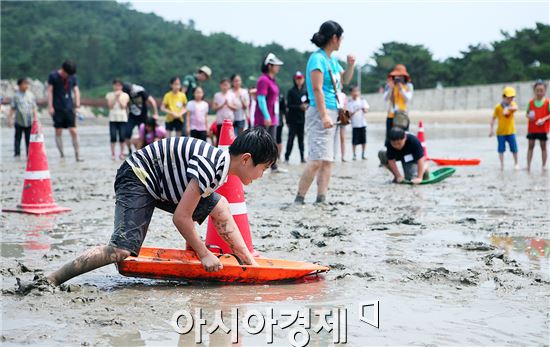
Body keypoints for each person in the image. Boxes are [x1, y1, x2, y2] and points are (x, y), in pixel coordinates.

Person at [46, 128, 278, 286]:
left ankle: (248, 261)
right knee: (120, 251)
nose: (261, 175)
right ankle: (52, 279)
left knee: (220, 206)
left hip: (163, 182)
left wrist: (250, 268)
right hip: (138, 178)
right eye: (263, 169)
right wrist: (204, 253)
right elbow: (181, 218)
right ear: (246, 159)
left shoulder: (220, 167)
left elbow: (193, 203)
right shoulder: (212, 166)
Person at [295, 21, 355, 204]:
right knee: (316, 160)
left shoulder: (332, 60)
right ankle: (299, 198)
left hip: (333, 111)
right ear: (334, 38)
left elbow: (344, 79)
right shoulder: (317, 59)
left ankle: (321, 198)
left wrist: (351, 65)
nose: (341, 41)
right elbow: (317, 88)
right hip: (321, 112)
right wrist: (324, 115)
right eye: (341, 37)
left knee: (328, 160)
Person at [255, 52, 285, 172]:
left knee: (272, 142)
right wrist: (267, 116)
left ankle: (273, 166)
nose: (278, 67)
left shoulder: (273, 80)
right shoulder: (263, 80)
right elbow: (261, 99)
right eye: (275, 65)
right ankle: (257, 166)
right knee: (260, 143)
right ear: (269, 66)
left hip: (273, 116)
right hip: (264, 117)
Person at [47, 60, 82, 161]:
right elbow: (50, 91)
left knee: (73, 130)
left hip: (69, 107)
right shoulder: (53, 76)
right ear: (63, 70)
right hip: (57, 107)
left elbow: (76, 90)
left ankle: (77, 155)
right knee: (58, 130)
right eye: (67, 74)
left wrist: (77, 104)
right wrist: (50, 106)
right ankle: (61, 154)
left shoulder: (72, 77)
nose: (68, 76)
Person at [123, 82, 159, 153]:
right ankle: (129, 151)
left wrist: (155, 113)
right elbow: (126, 105)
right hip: (132, 117)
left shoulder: (140, 91)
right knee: (126, 133)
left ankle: (145, 152)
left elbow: (152, 101)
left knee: (143, 135)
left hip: (143, 117)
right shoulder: (125, 94)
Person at [490, 86, 519, 170]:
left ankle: (516, 163)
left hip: (511, 131)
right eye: (508, 97)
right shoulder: (498, 107)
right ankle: (502, 165)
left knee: (514, 148)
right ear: (504, 96)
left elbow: (516, 108)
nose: (510, 99)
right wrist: (491, 130)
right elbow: (493, 118)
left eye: (512, 97)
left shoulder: (512, 105)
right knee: (501, 149)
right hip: (501, 132)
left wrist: (508, 108)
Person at [8, 78, 37, 157]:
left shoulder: (31, 95)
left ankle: (29, 155)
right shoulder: (16, 96)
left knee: (29, 139)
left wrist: (36, 119)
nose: (26, 85)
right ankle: (17, 155)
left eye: (27, 84)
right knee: (18, 139)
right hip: (19, 121)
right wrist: (10, 120)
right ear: (20, 85)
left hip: (29, 121)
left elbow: (34, 108)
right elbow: (12, 108)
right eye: (24, 84)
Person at [383, 64, 413, 140]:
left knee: (403, 137)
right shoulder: (389, 85)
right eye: (397, 76)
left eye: (400, 76)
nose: (399, 78)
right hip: (391, 115)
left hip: (402, 115)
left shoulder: (409, 86)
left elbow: (408, 98)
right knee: (390, 137)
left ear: (404, 76)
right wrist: (390, 88)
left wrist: (401, 89)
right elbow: (385, 99)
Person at [525, 80, 550, 171]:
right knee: (530, 147)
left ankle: (543, 166)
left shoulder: (547, 102)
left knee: (543, 147)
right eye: (537, 90)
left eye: (541, 90)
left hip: (543, 129)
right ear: (534, 90)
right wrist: (529, 117)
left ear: (545, 91)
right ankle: (528, 166)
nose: (539, 92)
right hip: (532, 128)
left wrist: (543, 119)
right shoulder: (531, 102)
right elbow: (527, 113)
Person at [285, 71, 308, 163]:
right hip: (293, 119)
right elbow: (289, 105)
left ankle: (302, 157)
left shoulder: (305, 91)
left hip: (302, 119)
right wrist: (299, 107)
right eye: (297, 79)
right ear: (295, 79)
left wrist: (306, 106)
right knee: (290, 138)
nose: (299, 80)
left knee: (301, 139)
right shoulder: (291, 91)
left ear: (303, 79)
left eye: (301, 78)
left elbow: (309, 103)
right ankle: (287, 157)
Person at [106, 79, 130, 160]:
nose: (117, 87)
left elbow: (123, 106)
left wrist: (119, 98)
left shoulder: (125, 95)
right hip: (112, 118)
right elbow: (110, 106)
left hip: (122, 118)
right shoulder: (109, 95)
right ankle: (113, 153)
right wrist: (115, 98)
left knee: (122, 137)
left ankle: (121, 153)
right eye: (115, 85)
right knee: (113, 136)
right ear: (113, 86)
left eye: (119, 85)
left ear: (121, 86)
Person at [348, 85, 369, 160]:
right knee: (354, 141)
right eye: (354, 91)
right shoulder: (349, 102)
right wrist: (355, 110)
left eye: (357, 91)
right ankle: (354, 154)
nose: (356, 93)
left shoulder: (362, 100)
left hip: (362, 123)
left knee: (364, 140)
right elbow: (349, 115)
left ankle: (363, 154)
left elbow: (366, 110)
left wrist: (363, 109)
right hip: (355, 125)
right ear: (351, 93)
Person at [213, 78, 237, 145]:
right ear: (220, 85)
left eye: (226, 85)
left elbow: (235, 107)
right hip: (220, 120)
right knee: (219, 138)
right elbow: (214, 108)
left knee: (230, 137)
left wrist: (228, 105)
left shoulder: (232, 95)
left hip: (230, 120)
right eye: (223, 85)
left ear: (229, 85)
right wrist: (222, 105)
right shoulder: (217, 95)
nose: (225, 87)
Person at [334, 90, 349, 161]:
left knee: (342, 137)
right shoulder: (332, 93)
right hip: (334, 115)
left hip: (342, 115)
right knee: (334, 137)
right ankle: (333, 155)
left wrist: (345, 115)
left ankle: (343, 156)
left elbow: (346, 105)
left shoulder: (343, 95)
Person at [276, 94, 287, 161]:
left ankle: (279, 156)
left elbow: (284, 110)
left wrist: (287, 120)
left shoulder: (281, 97)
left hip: (279, 121)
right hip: (270, 120)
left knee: (279, 139)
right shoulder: (268, 96)